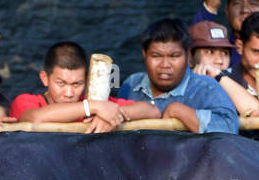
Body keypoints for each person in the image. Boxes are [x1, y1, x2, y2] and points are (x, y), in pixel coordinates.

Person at [9, 41, 161, 132]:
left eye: (77, 84)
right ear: (44, 78)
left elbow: (153, 111)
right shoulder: (27, 101)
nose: (69, 93)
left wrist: (113, 115)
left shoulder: (97, 104)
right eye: (61, 83)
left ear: (87, 80)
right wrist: (92, 108)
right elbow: (34, 118)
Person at [117, 19, 238, 134]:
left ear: (188, 56)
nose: (165, 65)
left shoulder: (205, 88)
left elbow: (229, 127)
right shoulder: (131, 84)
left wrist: (179, 111)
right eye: (156, 56)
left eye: (174, 56)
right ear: (144, 54)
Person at [187, 21, 259, 116]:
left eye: (224, 53)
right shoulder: (180, 83)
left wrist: (219, 77)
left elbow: (254, 111)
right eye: (210, 52)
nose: (219, 60)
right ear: (189, 57)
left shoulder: (230, 81)